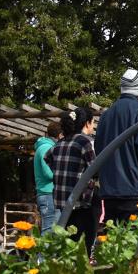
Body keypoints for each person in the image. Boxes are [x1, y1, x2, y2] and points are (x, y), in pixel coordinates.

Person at [95, 69, 138, 222]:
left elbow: (99, 150)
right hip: (135, 191)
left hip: (110, 192)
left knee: (113, 241)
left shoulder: (106, 115)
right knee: (132, 241)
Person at [45, 108, 99, 254]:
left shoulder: (59, 144)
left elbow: (47, 157)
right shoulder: (86, 142)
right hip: (82, 202)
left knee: (68, 245)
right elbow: (95, 169)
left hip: (63, 202)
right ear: (87, 123)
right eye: (93, 122)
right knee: (83, 248)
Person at [34, 121, 63, 235]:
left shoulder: (43, 147)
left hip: (46, 194)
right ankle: (43, 254)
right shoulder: (46, 148)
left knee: (51, 231)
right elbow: (48, 174)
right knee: (49, 232)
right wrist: (62, 174)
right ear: (60, 135)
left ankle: (45, 253)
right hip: (48, 194)